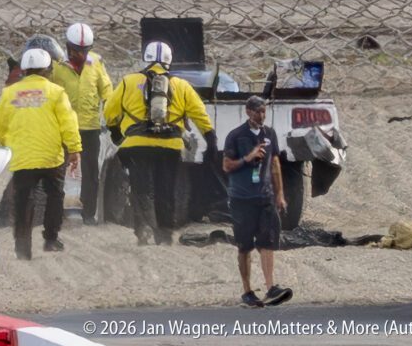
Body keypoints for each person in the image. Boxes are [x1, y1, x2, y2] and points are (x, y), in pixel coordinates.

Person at [103, 40, 216, 245]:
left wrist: (115, 133)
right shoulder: (181, 86)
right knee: (166, 190)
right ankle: (164, 234)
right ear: (169, 60)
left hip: (136, 146)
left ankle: (144, 230)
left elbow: (110, 112)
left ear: (144, 58)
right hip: (170, 146)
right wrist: (210, 138)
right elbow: (199, 114)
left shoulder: (128, 81)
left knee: (141, 189)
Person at [0, 49, 82, 260]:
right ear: (47, 70)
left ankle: (22, 247)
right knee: (55, 196)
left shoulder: (10, 93)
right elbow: (68, 123)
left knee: (23, 200)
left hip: (23, 157)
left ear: (25, 70)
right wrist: (75, 148)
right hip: (52, 157)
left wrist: (7, 144)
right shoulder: (56, 92)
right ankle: (51, 239)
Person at [221, 95, 293, 308]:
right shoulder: (236, 136)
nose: (261, 116)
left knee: (267, 242)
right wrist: (248, 158)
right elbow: (226, 166)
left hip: (265, 196)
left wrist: (280, 194)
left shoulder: (269, 134)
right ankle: (247, 290)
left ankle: (271, 287)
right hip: (242, 198)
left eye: (263, 112)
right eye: (257, 112)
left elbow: (275, 164)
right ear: (248, 112)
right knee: (245, 246)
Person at [52, 23, 112, 226]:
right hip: (63, 128)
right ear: (68, 47)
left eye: (85, 50)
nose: (82, 54)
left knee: (90, 172)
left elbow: (106, 89)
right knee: (57, 168)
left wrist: (110, 110)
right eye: (77, 51)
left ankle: (89, 213)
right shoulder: (57, 65)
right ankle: (55, 210)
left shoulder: (95, 63)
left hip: (89, 127)